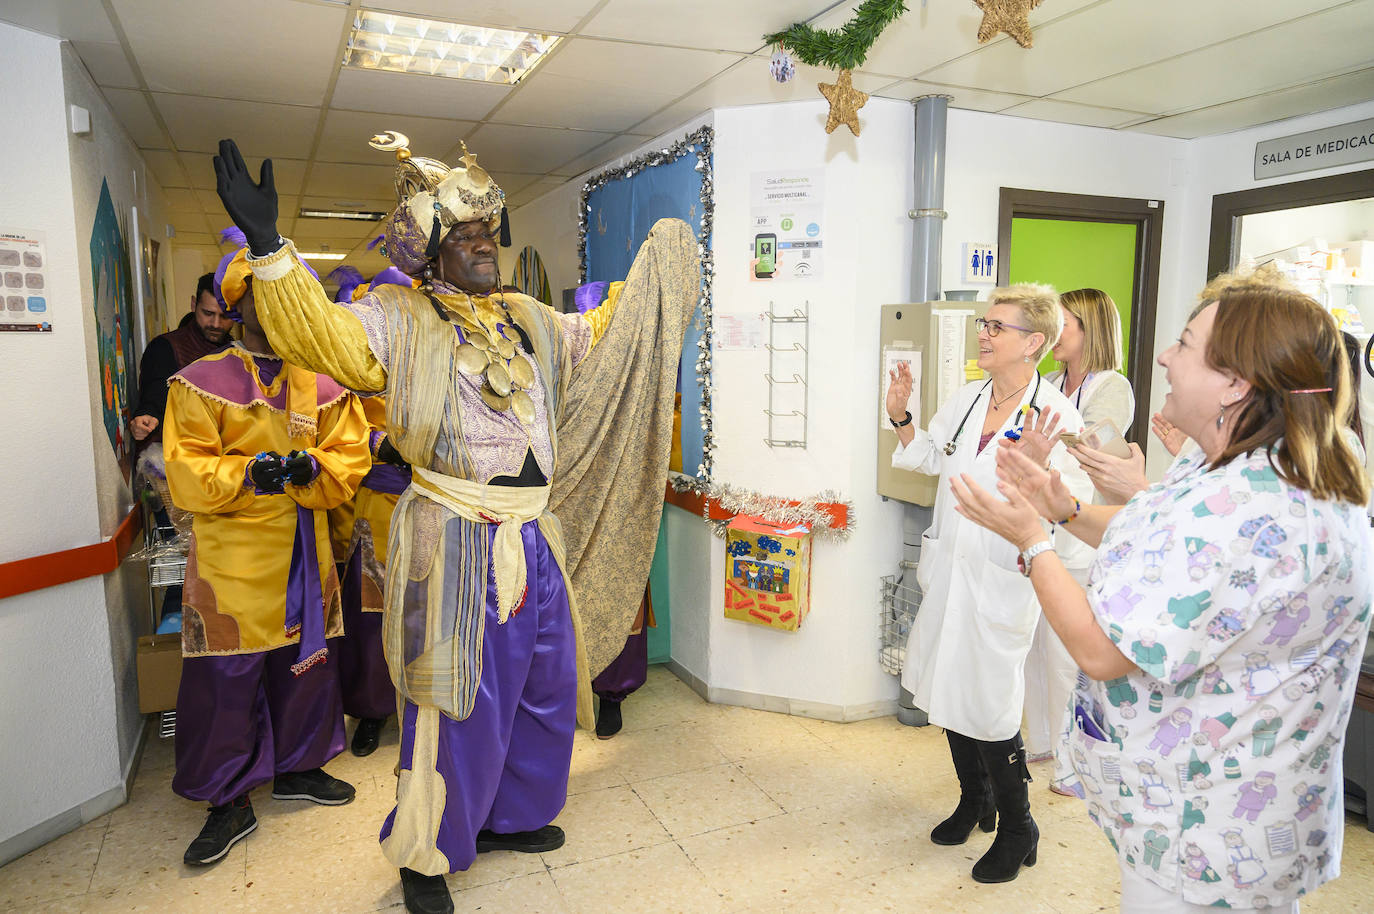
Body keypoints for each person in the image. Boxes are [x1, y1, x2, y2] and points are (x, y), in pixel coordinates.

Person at [212, 133, 698, 914]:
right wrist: (270, 247)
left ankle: (512, 815)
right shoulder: (397, 316)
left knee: (541, 690)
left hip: (534, 539)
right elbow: (324, 340)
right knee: (456, 701)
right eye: (463, 237)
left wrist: (654, 275)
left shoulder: (527, 318)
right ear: (431, 254)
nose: (482, 247)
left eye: (486, 233)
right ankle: (425, 854)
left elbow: (599, 339)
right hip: (458, 539)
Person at [950, 280, 1372, 912]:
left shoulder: (1251, 503)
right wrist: (1062, 507)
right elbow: (1156, 535)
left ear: (1234, 383)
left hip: (1213, 837)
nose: (1165, 358)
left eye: (1184, 344)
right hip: (1190, 816)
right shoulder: (1235, 466)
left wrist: (1031, 540)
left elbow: (1102, 652)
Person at [162, 232, 371, 867]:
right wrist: (248, 475)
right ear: (237, 305)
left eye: (290, 295)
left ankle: (301, 767)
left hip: (304, 556)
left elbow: (350, 457)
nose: (276, 307)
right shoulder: (199, 382)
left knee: (304, 666)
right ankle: (226, 803)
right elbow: (186, 469)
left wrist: (314, 470)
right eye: (263, 295)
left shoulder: (327, 385)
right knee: (225, 682)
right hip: (230, 567)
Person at [884, 283, 1091, 884]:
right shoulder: (970, 398)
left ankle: (1018, 823)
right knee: (946, 683)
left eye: (997, 327)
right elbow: (927, 455)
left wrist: (1040, 469)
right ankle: (974, 802)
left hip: (1003, 577)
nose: (984, 333)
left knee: (993, 703)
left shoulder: (1057, 417)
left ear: (1033, 343)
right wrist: (901, 414)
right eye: (984, 323)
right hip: (950, 567)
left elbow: (1070, 510)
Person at [1028, 289, 1136, 796]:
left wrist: (1045, 447)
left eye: (1062, 324)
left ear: (1087, 329)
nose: (1053, 333)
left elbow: (1095, 453)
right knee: (1034, 650)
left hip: (1082, 536)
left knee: (1067, 655)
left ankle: (1076, 766)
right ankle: (1044, 742)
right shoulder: (1048, 382)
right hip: (1044, 529)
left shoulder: (1112, 387)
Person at [131, 273, 232, 449]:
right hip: (178, 459)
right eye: (208, 313)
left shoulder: (237, 353)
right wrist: (146, 417)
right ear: (194, 304)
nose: (216, 324)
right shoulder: (166, 347)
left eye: (225, 316)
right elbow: (155, 397)